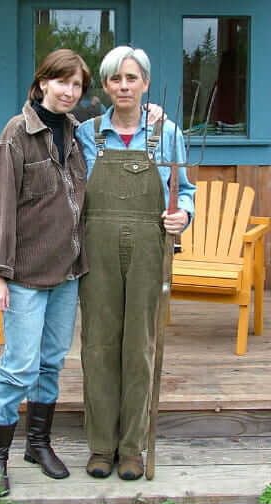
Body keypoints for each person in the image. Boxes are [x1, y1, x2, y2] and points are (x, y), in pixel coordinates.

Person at [76, 46, 196, 481]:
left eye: (131, 78)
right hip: (98, 247)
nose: (123, 86)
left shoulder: (168, 134)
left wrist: (183, 214)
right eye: (114, 79)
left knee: (140, 346)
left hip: (150, 245)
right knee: (99, 345)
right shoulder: (86, 134)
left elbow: (186, 192)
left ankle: (132, 448)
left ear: (145, 82)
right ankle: (100, 447)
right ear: (105, 87)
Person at [0, 48, 91, 496]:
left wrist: (153, 114)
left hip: (68, 273)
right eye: (62, 81)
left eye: (78, 85)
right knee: (19, 366)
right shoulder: (17, 133)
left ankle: (38, 445)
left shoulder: (82, 135)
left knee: (51, 363)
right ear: (43, 82)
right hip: (24, 275)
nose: (69, 91)